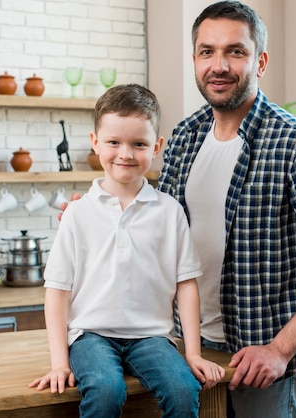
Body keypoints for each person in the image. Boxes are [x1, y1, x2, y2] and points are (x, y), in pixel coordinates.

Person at [155, 2, 296, 417]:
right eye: (207, 51)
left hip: (261, 368)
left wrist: (279, 349)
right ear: (195, 59)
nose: (219, 65)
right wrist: (100, 209)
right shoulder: (183, 137)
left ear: (261, 61)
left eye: (235, 51)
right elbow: (158, 230)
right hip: (188, 352)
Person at [28, 84, 225, 418]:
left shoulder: (169, 211)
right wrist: (59, 363)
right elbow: (57, 291)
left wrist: (193, 353)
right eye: (114, 142)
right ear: (95, 143)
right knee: (106, 390)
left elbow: (186, 285)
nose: (126, 154)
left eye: (139, 144)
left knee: (182, 389)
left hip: (152, 336)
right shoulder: (77, 213)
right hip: (90, 336)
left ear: (157, 146)